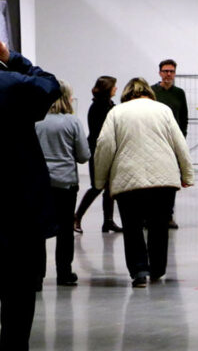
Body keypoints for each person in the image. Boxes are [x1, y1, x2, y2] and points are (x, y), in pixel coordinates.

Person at [93, 78, 194, 288]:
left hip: (128, 178)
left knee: (132, 227)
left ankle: (139, 272)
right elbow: (179, 143)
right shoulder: (163, 110)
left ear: (126, 93)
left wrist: (100, 180)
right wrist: (187, 174)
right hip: (164, 179)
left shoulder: (116, 113)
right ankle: (157, 269)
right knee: (159, 225)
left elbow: (104, 145)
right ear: (149, 92)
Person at [0, 40, 60, 350]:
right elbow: (50, 84)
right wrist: (12, 58)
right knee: (19, 293)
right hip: (17, 211)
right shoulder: (12, 85)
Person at [35, 80, 90, 287]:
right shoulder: (72, 122)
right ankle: (64, 273)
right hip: (65, 183)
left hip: (40, 182)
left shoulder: (36, 121)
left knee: (38, 230)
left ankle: (36, 276)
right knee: (65, 229)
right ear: (67, 97)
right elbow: (84, 155)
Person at [74, 75, 122, 234]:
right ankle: (77, 217)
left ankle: (108, 221)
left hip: (106, 149)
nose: (116, 88)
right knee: (97, 186)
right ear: (108, 88)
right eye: (114, 86)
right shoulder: (99, 107)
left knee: (109, 187)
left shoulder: (107, 105)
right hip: (98, 150)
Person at [152, 59, 188, 230]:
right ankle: (149, 215)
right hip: (154, 142)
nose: (168, 74)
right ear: (160, 73)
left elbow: (184, 118)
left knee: (171, 180)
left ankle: (168, 215)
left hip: (172, 142)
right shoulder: (152, 92)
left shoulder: (179, 93)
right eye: (165, 71)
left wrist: (182, 138)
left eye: (171, 71)